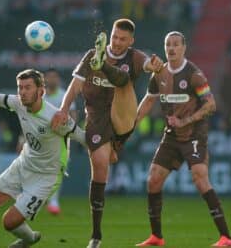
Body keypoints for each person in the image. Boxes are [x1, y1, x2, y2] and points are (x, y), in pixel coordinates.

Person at [51, 18, 163, 248]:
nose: (118, 42)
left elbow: (147, 65)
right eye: (114, 37)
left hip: (122, 113)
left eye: (123, 39)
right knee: (101, 165)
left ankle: (115, 143)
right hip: (96, 117)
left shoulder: (135, 56)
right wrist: (63, 110)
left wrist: (153, 66)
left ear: (131, 41)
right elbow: (75, 86)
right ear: (110, 36)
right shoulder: (90, 54)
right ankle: (96, 235)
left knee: (123, 83)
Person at [0, 67, 85, 248]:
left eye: (27, 87)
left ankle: (29, 239)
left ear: (41, 91)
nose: (22, 92)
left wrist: (108, 151)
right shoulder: (19, 103)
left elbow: (83, 137)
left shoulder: (55, 117)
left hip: (47, 176)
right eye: (20, 87)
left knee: (9, 222)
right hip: (23, 165)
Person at [135, 31, 231, 247]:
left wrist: (186, 120)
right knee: (153, 180)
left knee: (200, 177)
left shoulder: (194, 74)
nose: (171, 48)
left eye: (175, 44)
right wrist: (131, 123)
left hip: (193, 134)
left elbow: (211, 105)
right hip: (171, 136)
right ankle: (156, 237)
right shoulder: (158, 74)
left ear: (184, 48)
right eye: (167, 44)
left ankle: (226, 238)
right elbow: (148, 101)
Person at [44, 68, 77, 215]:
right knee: (40, 170)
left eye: (55, 77)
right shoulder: (39, 96)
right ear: (45, 79)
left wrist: (71, 132)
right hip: (42, 138)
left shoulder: (65, 95)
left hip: (61, 138)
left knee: (59, 169)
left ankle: (53, 201)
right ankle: (41, 196)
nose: (53, 80)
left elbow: (74, 115)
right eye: (50, 77)